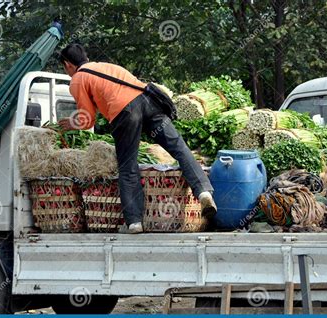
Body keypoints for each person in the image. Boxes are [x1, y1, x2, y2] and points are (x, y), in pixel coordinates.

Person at [58, 43, 216, 233]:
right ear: (86, 58)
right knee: (179, 149)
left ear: (68, 65)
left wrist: (71, 123)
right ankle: (203, 192)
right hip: (149, 103)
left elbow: (87, 119)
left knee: (127, 166)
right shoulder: (108, 66)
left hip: (125, 113)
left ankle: (134, 221)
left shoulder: (78, 79)